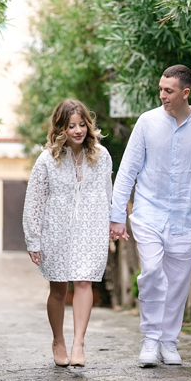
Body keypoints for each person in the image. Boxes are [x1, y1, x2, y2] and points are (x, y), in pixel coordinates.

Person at [110, 64, 191, 367]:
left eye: (168, 91)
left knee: (178, 284)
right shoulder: (147, 122)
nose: (162, 95)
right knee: (152, 273)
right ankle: (150, 338)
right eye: (160, 89)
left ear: (185, 92)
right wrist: (117, 215)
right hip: (148, 214)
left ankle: (169, 341)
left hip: (188, 220)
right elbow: (127, 170)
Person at [23, 99, 114, 367]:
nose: (78, 130)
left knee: (84, 282)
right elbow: (35, 201)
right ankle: (58, 341)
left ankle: (78, 344)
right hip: (56, 230)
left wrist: (111, 224)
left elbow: (107, 193)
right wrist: (33, 239)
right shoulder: (47, 160)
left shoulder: (102, 156)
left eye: (82, 124)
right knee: (59, 289)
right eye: (71, 125)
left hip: (90, 229)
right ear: (61, 128)